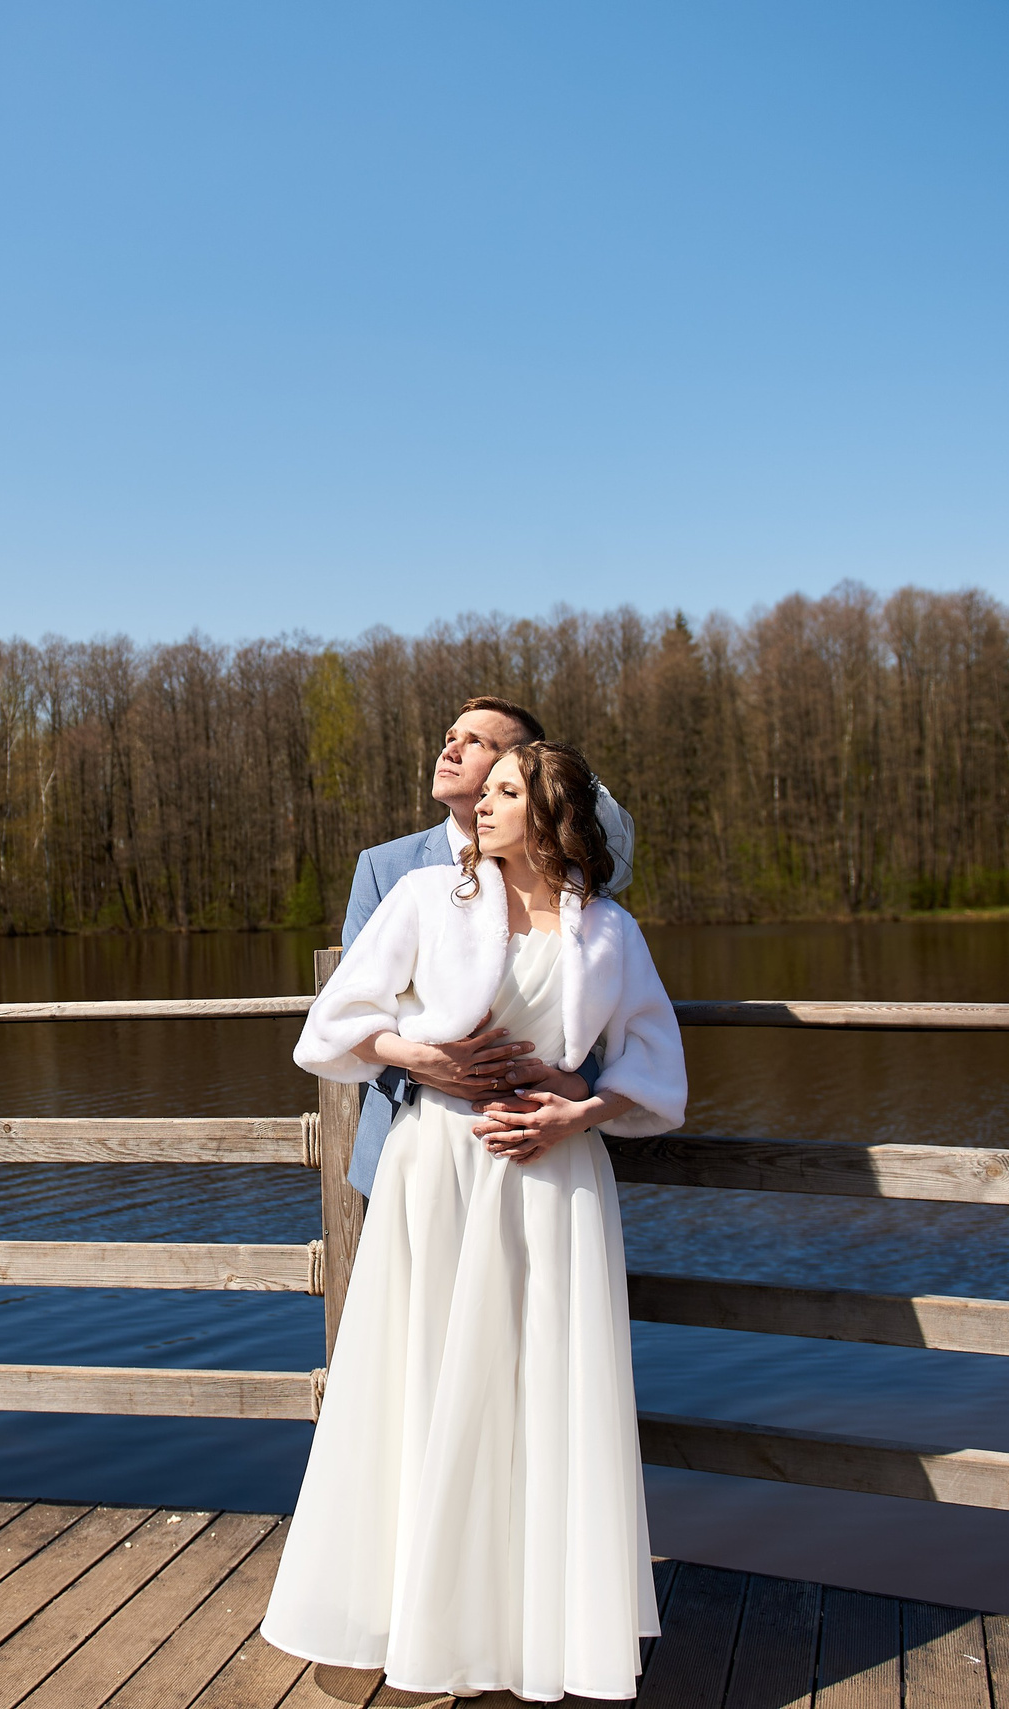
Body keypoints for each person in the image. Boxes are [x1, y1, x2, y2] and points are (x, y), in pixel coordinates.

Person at [261, 740, 686, 1704]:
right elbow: (329, 1030)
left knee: (537, 1390)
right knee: (425, 1380)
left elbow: (654, 1069)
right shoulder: (425, 902)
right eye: (483, 790)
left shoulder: (608, 932)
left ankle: (533, 1628)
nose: (481, 805)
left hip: (553, 1181)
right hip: (439, 1169)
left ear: (549, 815)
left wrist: (581, 1106)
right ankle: (412, 1616)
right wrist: (421, 1055)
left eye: (504, 792)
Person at [336, 696, 637, 1198]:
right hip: (408, 1149)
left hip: (532, 1148)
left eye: (475, 742)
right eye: (449, 738)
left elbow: (602, 1019)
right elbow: (350, 1008)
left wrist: (575, 1087)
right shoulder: (386, 870)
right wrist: (426, 1065)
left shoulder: (584, 898)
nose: (449, 750)